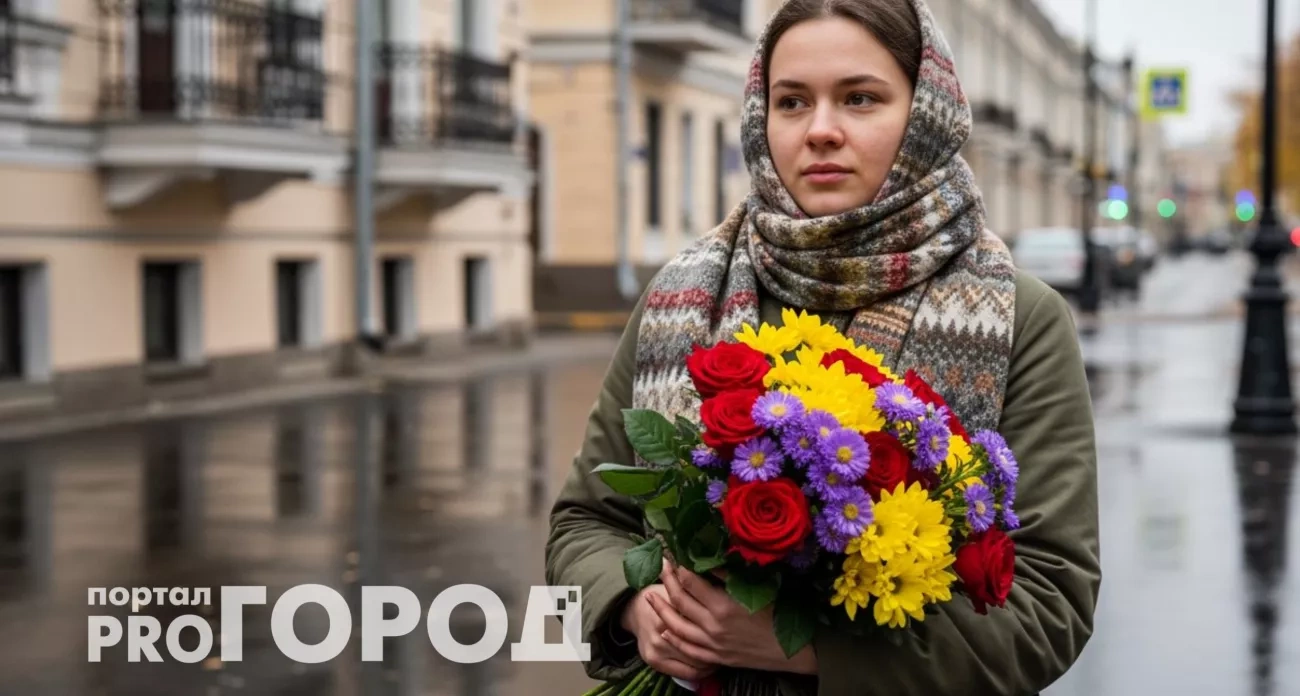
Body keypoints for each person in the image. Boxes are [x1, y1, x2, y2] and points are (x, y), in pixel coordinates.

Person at [544, 0, 1101, 693]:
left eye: (860, 99)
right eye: (792, 102)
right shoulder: (682, 295)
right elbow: (587, 519)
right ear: (760, 116)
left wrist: (803, 649)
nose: (821, 131)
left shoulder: (1022, 317)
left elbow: (1049, 604)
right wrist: (636, 608)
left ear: (925, 114)